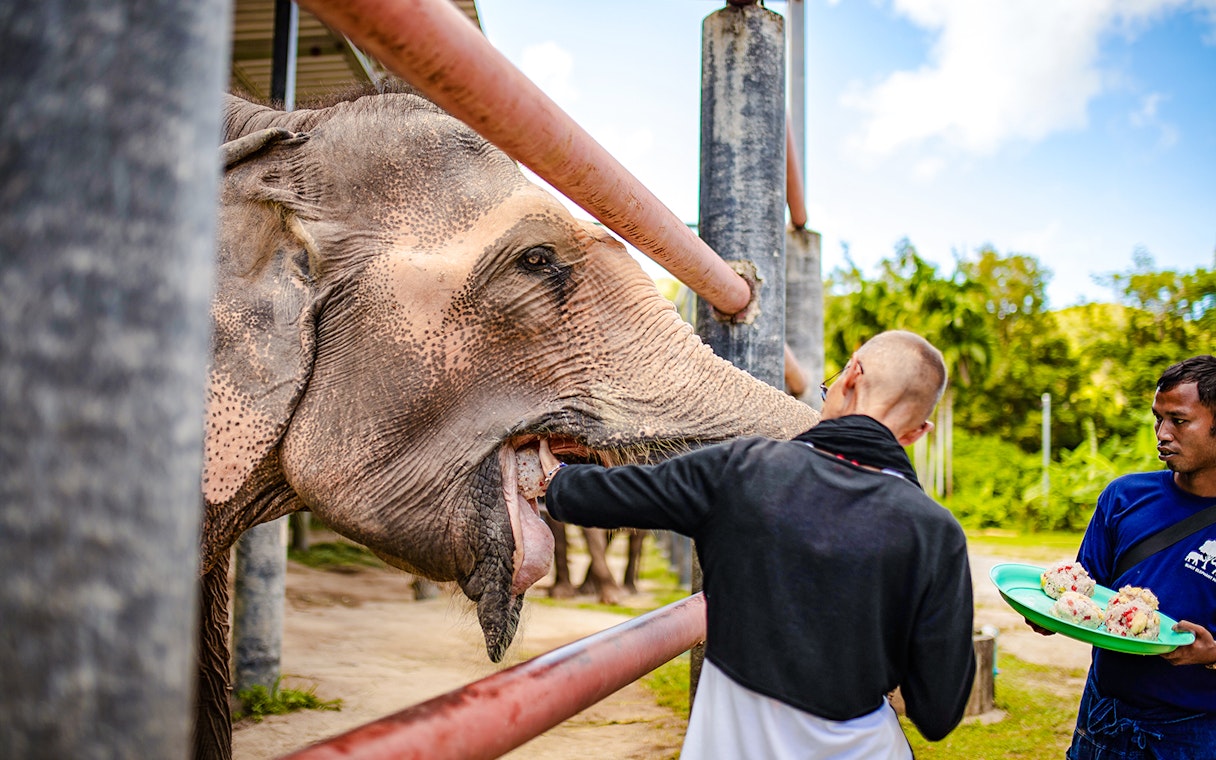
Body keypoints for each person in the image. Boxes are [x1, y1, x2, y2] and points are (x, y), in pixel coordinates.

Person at [533, 330, 976, 759]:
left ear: (852, 376)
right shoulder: (936, 533)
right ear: (918, 432)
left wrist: (553, 475)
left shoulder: (742, 470)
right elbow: (937, 713)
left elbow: (599, 495)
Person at [1055, 355, 1216, 759]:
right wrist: (1052, 609)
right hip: (1102, 717)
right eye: (1157, 419)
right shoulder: (1125, 496)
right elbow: (1085, 591)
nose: (1162, 433)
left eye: (1178, 421)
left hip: (1193, 733)